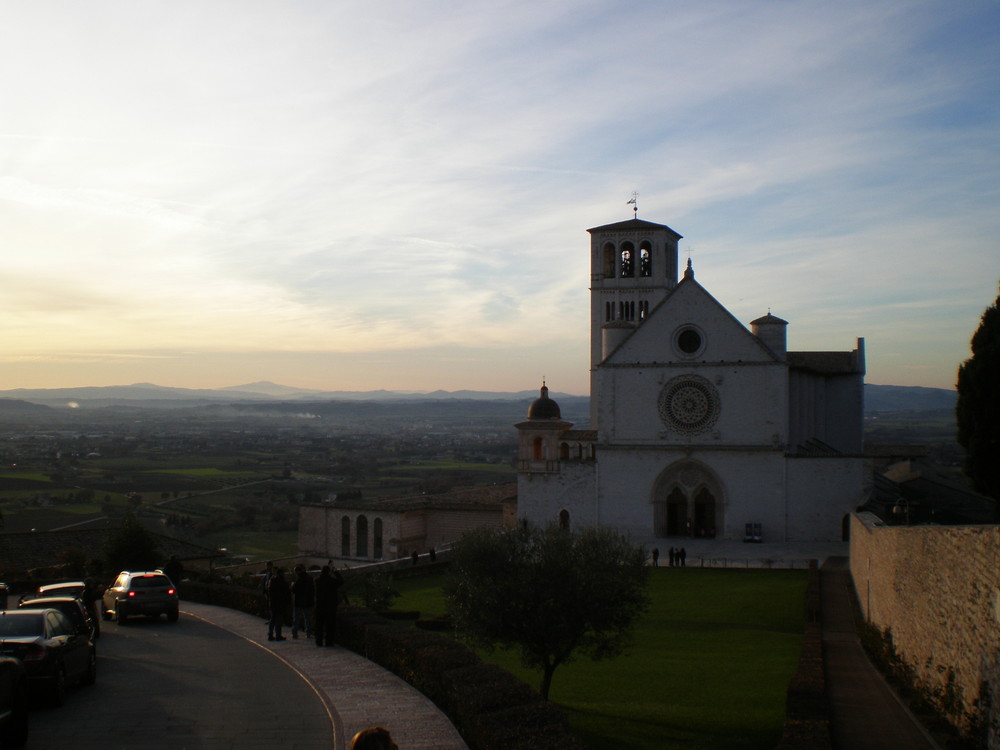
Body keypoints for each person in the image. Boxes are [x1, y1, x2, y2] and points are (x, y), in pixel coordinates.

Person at [314, 565, 344, 647]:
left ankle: (318, 641)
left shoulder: (317, 581)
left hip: (320, 605)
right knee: (330, 626)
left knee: (319, 625)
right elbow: (341, 581)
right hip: (330, 606)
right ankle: (329, 642)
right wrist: (336, 572)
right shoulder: (332, 581)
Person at [290, 565, 315, 640]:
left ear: (297, 571)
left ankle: (295, 633)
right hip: (308, 601)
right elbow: (313, 590)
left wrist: (292, 585)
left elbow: (294, 590)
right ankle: (308, 633)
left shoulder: (298, 580)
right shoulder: (310, 578)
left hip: (298, 602)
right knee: (308, 618)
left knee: (296, 619)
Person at [266, 568, 291, 641]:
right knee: (279, 620)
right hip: (280, 604)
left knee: (273, 619)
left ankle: (270, 634)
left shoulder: (272, 581)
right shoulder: (283, 582)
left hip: (273, 603)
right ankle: (278, 635)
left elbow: (269, 592)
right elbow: (287, 593)